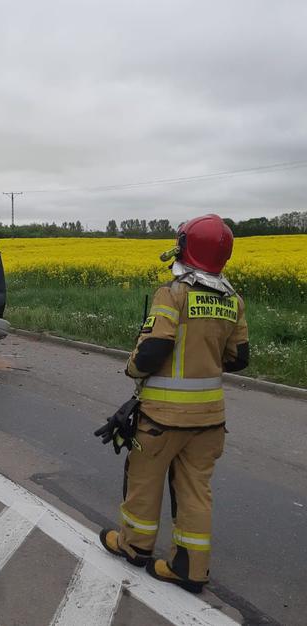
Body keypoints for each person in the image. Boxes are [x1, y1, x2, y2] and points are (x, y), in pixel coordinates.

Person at [98, 214, 249, 593]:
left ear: (185, 247)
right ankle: (189, 568)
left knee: (143, 482)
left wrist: (132, 367)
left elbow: (153, 350)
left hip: (161, 420)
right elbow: (239, 358)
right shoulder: (233, 300)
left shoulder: (174, 293)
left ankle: (134, 547)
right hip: (210, 422)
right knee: (196, 491)